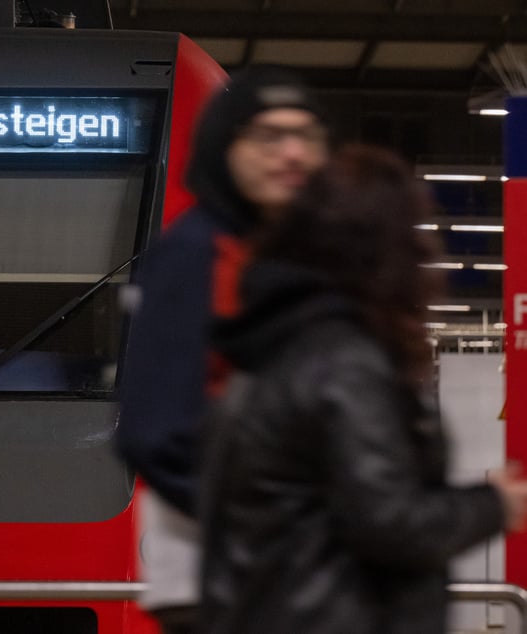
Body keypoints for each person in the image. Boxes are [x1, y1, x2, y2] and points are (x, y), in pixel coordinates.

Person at [199, 144, 527, 634]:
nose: (426, 254)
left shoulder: (276, 342)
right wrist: (495, 504)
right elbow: (389, 520)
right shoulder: (346, 363)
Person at [116, 65, 330, 634]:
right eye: (267, 137)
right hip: (222, 577)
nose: (290, 153)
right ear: (224, 147)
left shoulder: (283, 255)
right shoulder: (194, 254)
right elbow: (152, 430)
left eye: (305, 136)